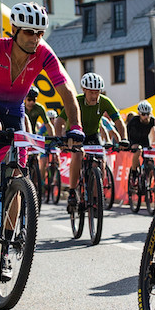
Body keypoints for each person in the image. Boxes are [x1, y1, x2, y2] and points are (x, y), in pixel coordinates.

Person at [0, 2, 82, 243]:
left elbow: (67, 92)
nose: (35, 38)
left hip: (14, 112)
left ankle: (7, 243)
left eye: (39, 33)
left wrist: (75, 126)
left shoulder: (44, 55)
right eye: (29, 32)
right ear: (14, 30)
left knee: (18, 176)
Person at [59, 72, 127, 211]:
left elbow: (118, 121)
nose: (94, 96)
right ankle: (72, 191)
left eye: (97, 92)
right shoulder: (75, 101)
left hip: (93, 135)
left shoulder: (104, 102)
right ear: (84, 90)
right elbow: (59, 121)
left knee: (101, 162)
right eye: (91, 92)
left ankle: (96, 198)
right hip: (76, 133)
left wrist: (124, 138)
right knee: (77, 155)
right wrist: (59, 137)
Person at [125, 100, 155, 179]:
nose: (146, 117)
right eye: (143, 114)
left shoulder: (152, 120)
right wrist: (129, 144)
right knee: (138, 151)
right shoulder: (133, 121)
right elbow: (127, 133)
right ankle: (134, 172)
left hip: (145, 141)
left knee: (150, 160)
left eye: (148, 114)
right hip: (133, 140)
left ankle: (148, 178)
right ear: (139, 114)